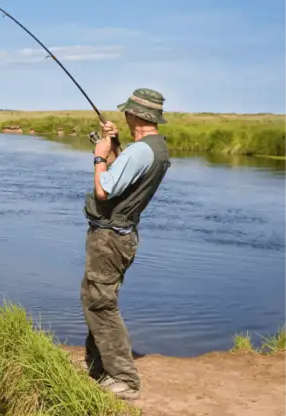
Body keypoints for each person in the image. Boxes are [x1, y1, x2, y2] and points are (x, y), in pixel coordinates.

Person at [80, 88, 171, 400]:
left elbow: (105, 189)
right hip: (120, 236)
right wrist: (116, 145)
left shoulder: (141, 151)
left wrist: (100, 154)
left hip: (109, 238)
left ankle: (124, 379)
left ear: (137, 116)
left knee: (102, 303)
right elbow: (125, 176)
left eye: (128, 112)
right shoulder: (153, 148)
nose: (124, 115)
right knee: (94, 297)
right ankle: (97, 365)